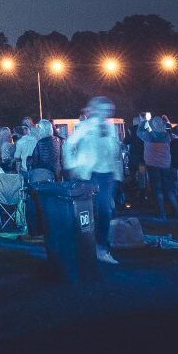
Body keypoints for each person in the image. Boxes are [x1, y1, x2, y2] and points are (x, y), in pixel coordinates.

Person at [64, 97, 123, 264]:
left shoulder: (111, 127)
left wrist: (118, 173)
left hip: (108, 174)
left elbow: (115, 150)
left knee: (105, 211)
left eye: (109, 110)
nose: (106, 113)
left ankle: (101, 247)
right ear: (95, 110)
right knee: (88, 211)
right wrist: (73, 166)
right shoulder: (86, 126)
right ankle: (85, 245)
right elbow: (68, 144)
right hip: (90, 174)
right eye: (103, 110)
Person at [139, 116, 178, 219]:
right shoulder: (167, 135)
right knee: (169, 188)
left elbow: (139, 132)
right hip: (165, 164)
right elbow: (171, 129)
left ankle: (162, 213)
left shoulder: (148, 135)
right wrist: (166, 122)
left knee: (158, 189)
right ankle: (176, 210)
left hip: (152, 164)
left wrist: (143, 121)